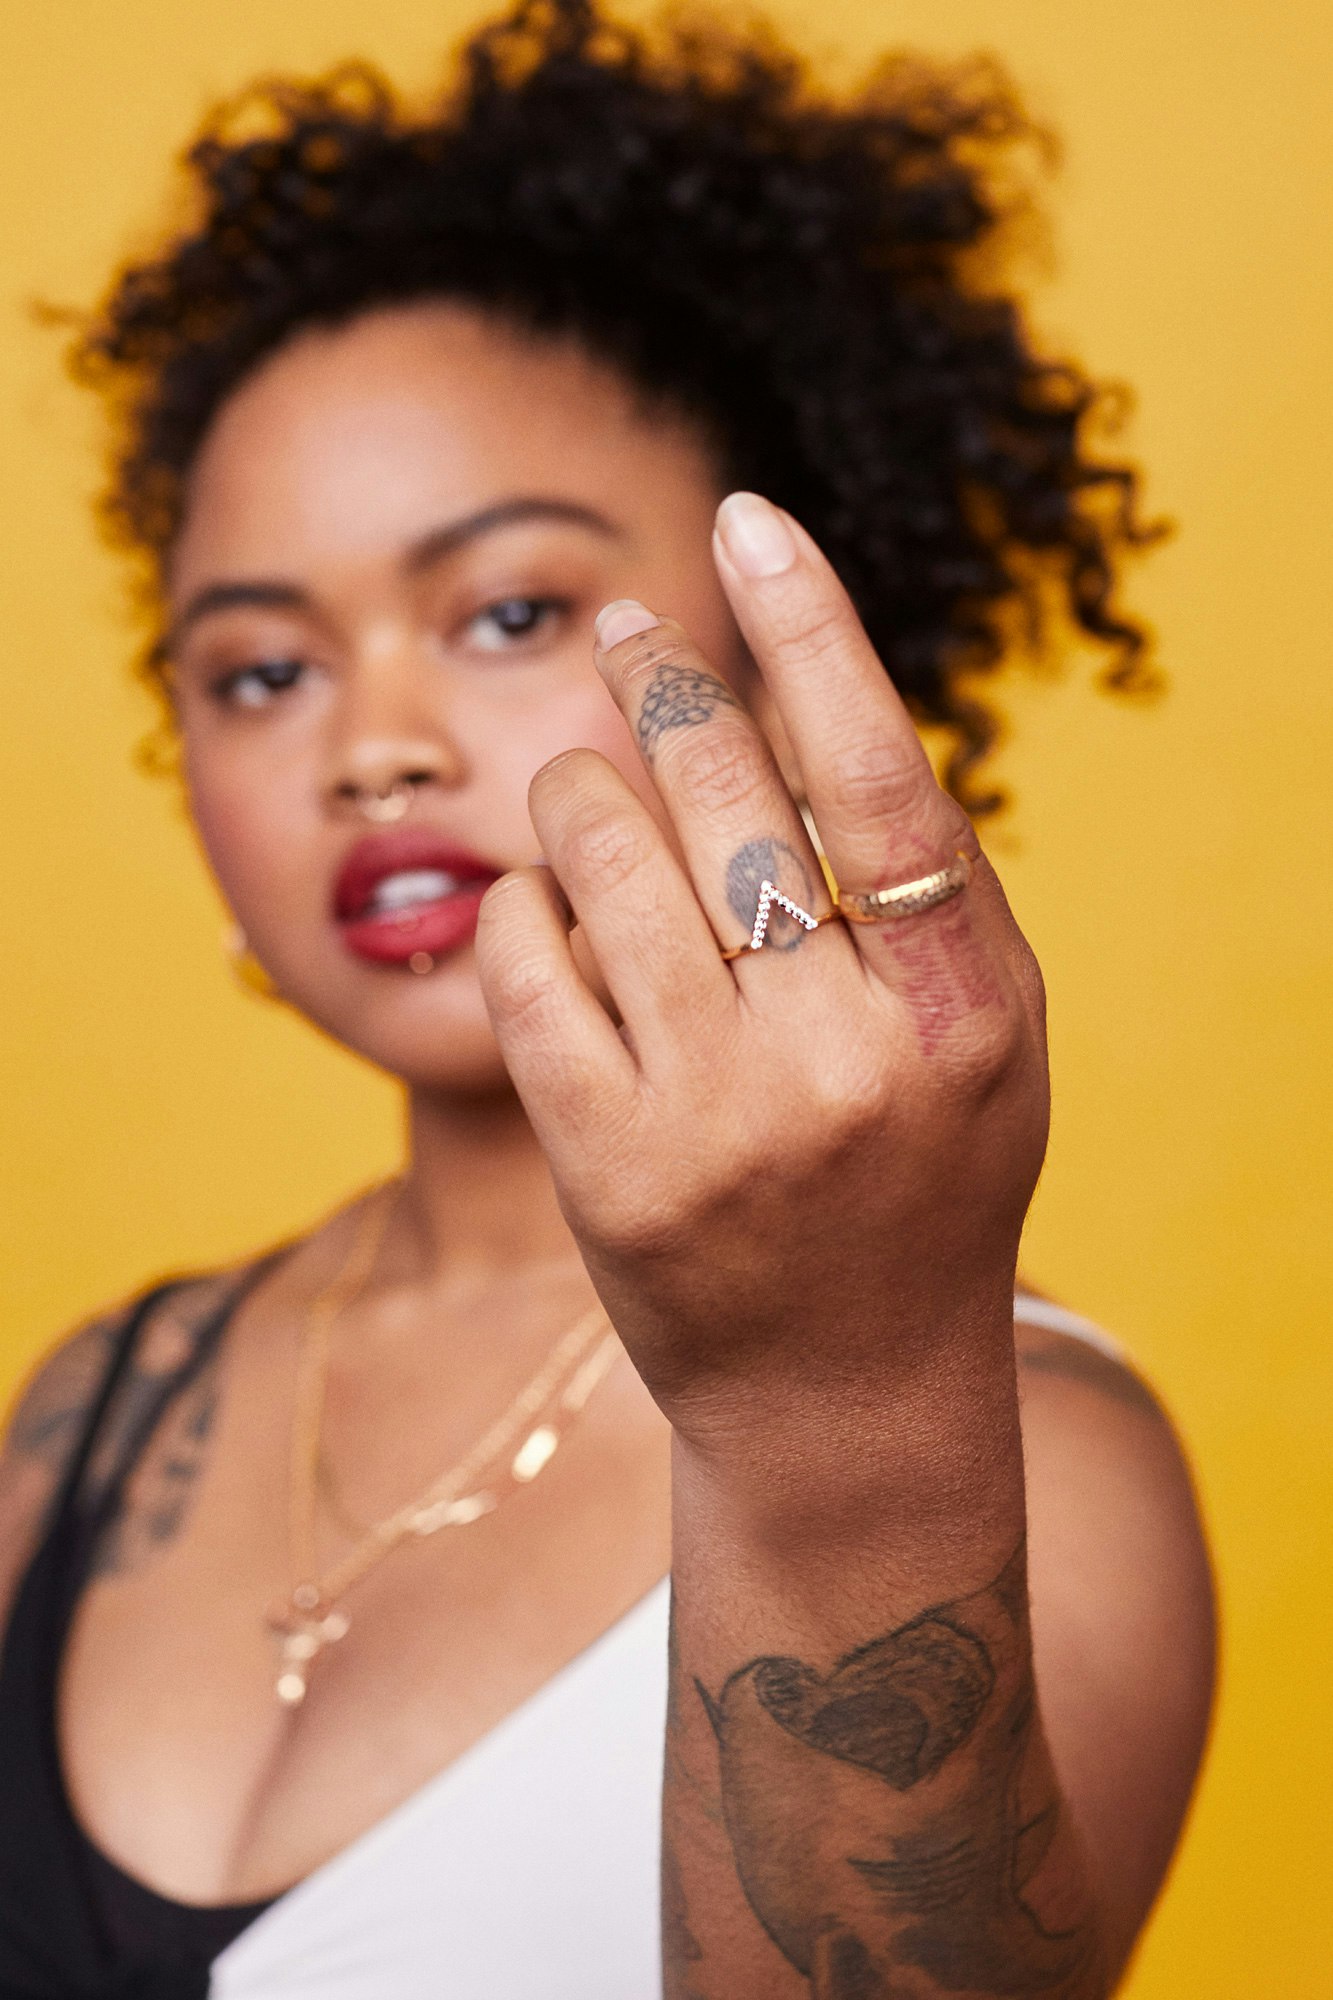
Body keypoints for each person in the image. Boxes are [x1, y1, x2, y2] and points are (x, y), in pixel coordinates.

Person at [0, 2, 1215, 1994]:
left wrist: (820, 1410)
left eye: (505, 612)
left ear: (784, 655)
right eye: (258, 669)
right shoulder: (95, 1412)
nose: (368, 745)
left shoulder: (1033, 1446)